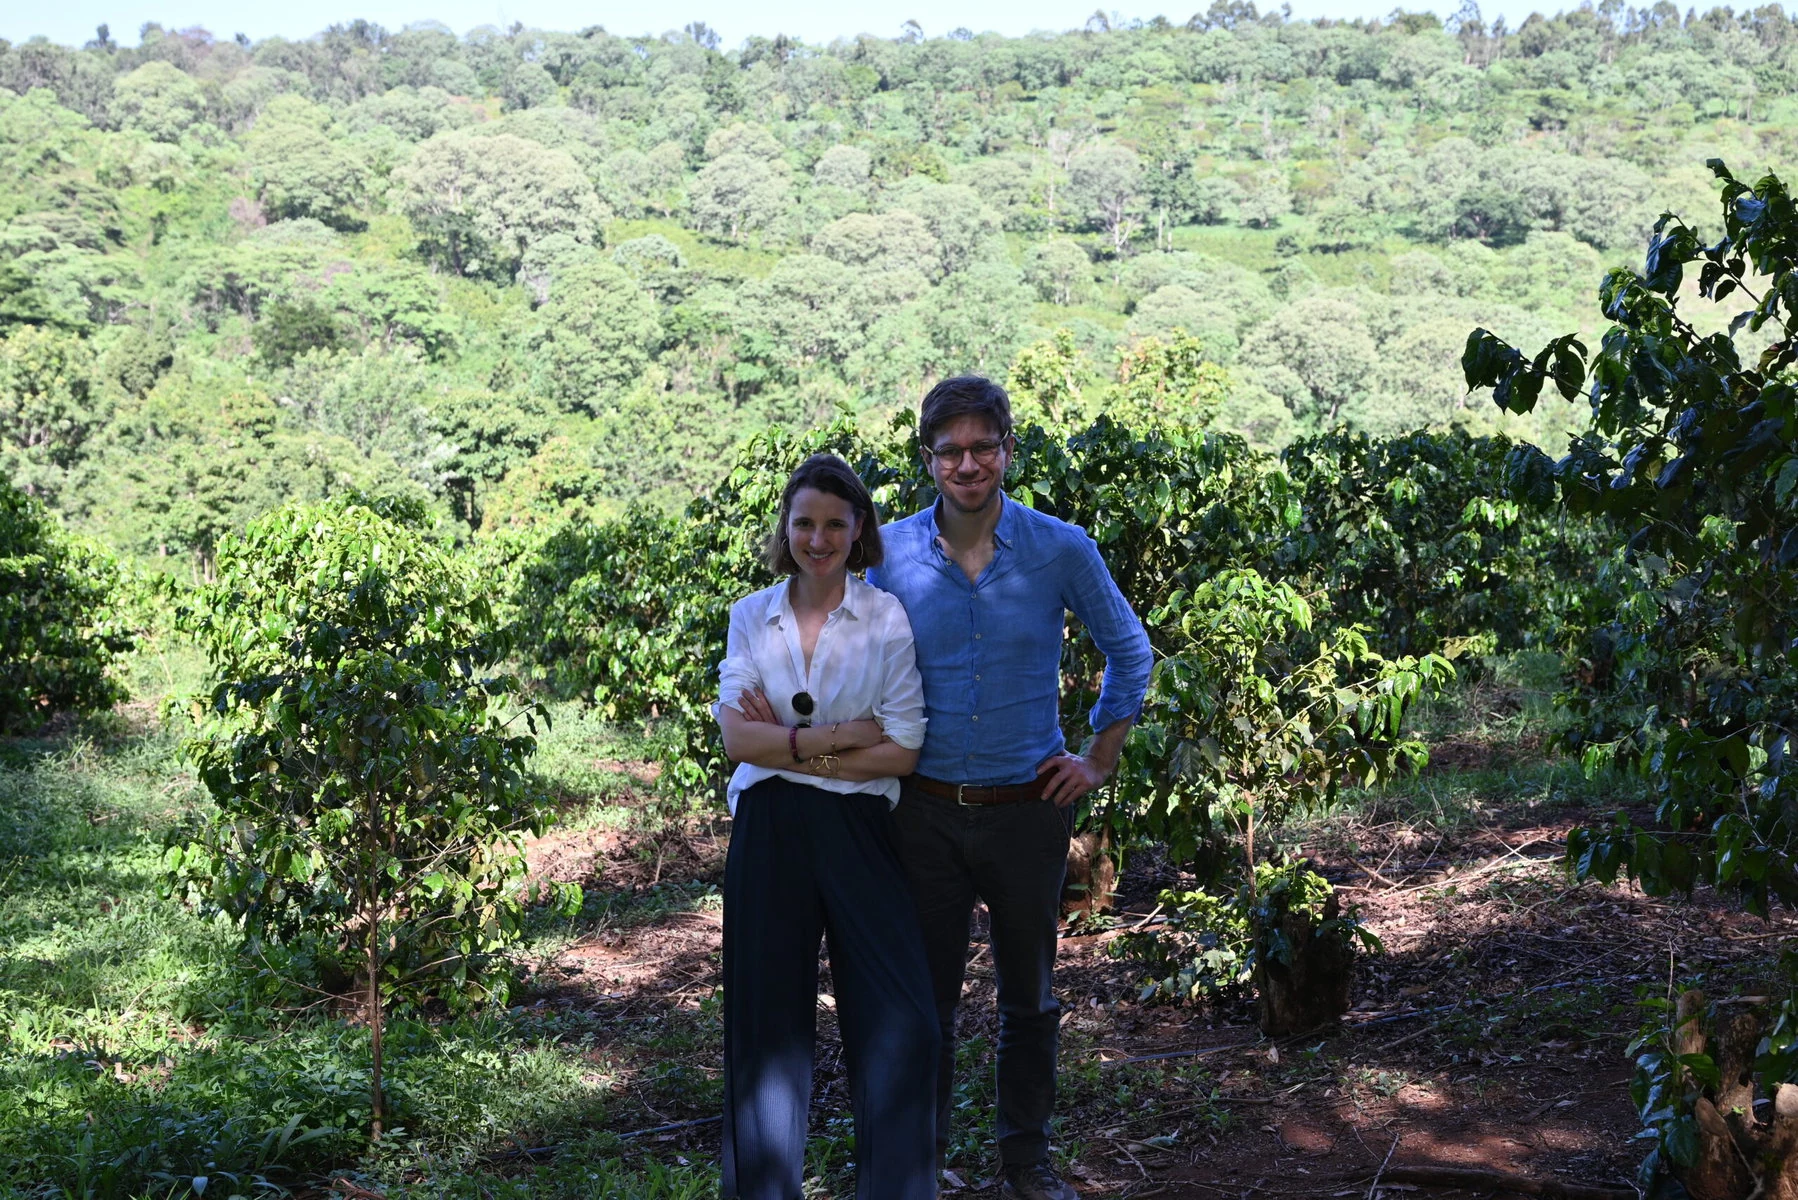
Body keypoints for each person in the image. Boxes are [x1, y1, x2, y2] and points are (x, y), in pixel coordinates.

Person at [867, 376, 1153, 1200]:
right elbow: (845, 656)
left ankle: (1026, 1162)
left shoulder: (1059, 547)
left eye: (982, 447)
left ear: (1008, 452)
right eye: (950, 450)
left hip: (1028, 811)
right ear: (928, 460)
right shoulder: (885, 555)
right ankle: (920, 1162)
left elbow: (1128, 651)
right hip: (919, 813)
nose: (967, 463)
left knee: (1030, 1000)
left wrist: (1098, 759)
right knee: (926, 1005)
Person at [713, 452, 940, 1200]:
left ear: (859, 529)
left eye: (835, 523)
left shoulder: (884, 617)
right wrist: (842, 736)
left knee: (900, 1024)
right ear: (786, 528)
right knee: (765, 1028)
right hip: (769, 829)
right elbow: (736, 739)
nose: (818, 538)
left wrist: (791, 748)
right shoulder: (753, 614)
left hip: (860, 828)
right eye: (804, 522)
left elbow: (903, 749)